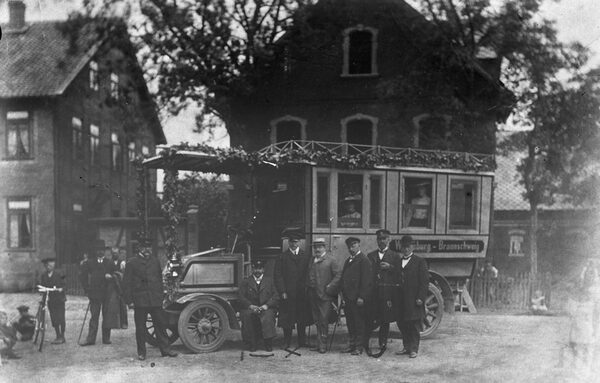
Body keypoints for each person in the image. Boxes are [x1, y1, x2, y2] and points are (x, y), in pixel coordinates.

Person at [122, 240, 177, 360]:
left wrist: (161, 296)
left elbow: (158, 279)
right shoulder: (132, 263)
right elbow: (126, 284)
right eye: (144, 247)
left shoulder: (155, 261)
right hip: (140, 301)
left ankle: (166, 350)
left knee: (161, 325)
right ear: (139, 248)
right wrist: (129, 301)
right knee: (141, 328)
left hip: (155, 299)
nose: (148, 250)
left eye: (149, 247)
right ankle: (141, 353)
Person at [274, 231, 312, 349]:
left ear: (299, 242)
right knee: (287, 318)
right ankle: (287, 341)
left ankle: (302, 341)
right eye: (291, 242)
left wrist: (306, 288)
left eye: (296, 242)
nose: (293, 244)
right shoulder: (282, 257)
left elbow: (309, 273)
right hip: (288, 293)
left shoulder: (306, 256)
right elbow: (278, 276)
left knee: (302, 318)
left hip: (302, 293)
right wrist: (282, 291)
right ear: (288, 242)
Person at [366, 229, 402, 352]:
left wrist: (390, 267)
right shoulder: (371, 256)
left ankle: (383, 342)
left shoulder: (395, 256)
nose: (381, 241)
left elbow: (399, 273)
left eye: (384, 239)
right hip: (374, 293)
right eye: (379, 239)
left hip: (387, 293)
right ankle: (366, 342)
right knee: (371, 317)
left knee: (385, 319)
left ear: (389, 240)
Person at [79, 239, 118, 346]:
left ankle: (106, 338)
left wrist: (111, 277)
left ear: (105, 251)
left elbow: (117, 275)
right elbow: (82, 276)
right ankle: (91, 339)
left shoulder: (109, 263)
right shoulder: (90, 263)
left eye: (102, 250)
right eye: (98, 250)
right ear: (95, 251)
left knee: (107, 316)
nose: (100, 252)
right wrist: (87, 289)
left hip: (107, 294)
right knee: (94, 316)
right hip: (94, 294)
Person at [306, 237, 342, 353]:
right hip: (313, 294)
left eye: (320, 247)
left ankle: (323, 345)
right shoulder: (312, 260)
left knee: (323, 320)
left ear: (324, 247)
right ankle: (319, 343)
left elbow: (338, 275)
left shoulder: (331, 260)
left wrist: (330, 286)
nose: (317, 249)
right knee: (316, 320)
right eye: (315, 247)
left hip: (325, 296)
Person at [395, 235, 429, 358]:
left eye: (408, 247)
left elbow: (424, 282)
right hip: (401, 300)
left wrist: (421, 297)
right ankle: (406, 346)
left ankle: (414, 349)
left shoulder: (420, 262)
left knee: (414, 324)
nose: (405, 249)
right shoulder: (398, 262)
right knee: (402, 324)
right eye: (403, 247)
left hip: (414, 300)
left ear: (412, 247)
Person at [239, 260, 280, 352]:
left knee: (268, 316)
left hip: (266, 307)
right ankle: (252, 343)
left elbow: (276, 296)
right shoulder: (246, 281)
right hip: (251, 308)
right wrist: (250, 306)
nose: (257, 271)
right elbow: (241, 297)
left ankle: (268, 343)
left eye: (260, 269)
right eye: (255, 269)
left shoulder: (270, 281)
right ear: (252, 269)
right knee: (247, 316)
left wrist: (267, 305)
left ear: (263, 270)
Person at [340, 237, 372, 355]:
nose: (351, 248)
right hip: (348, 298)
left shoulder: (364, 260)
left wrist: (361, 297)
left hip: (358, 299)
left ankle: (359, 347)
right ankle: (352, 345)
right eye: (349, 246)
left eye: (354, 245)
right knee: (350, 322)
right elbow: (344, 278)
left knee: (359, 323)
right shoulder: (348, 260)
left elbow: (366, 281)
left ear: (359, 245)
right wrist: (343, 296)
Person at [40, 257, 67, 344]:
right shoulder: (44, 275)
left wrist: (61, 289)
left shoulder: (59, 274)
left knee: (61, 317)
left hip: (59, 299)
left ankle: (62, 336)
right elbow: (42, 285)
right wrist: (42, 290)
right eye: (47, 265)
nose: (48, 267)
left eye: (50, 265)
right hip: (50, 299)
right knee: (54, 317)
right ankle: (58, 335)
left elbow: (65, 284)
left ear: (53, 266)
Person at [110, 247, 128, 329]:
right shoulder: (109, 262)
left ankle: (124, 323)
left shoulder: (122, 263)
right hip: (112, 286)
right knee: (113, 305)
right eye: (113, 253)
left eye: (116, 253)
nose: (115, 254)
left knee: (123, 305)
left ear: (119, 254)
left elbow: (125, 274)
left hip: (121, 285)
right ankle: (115, 323)